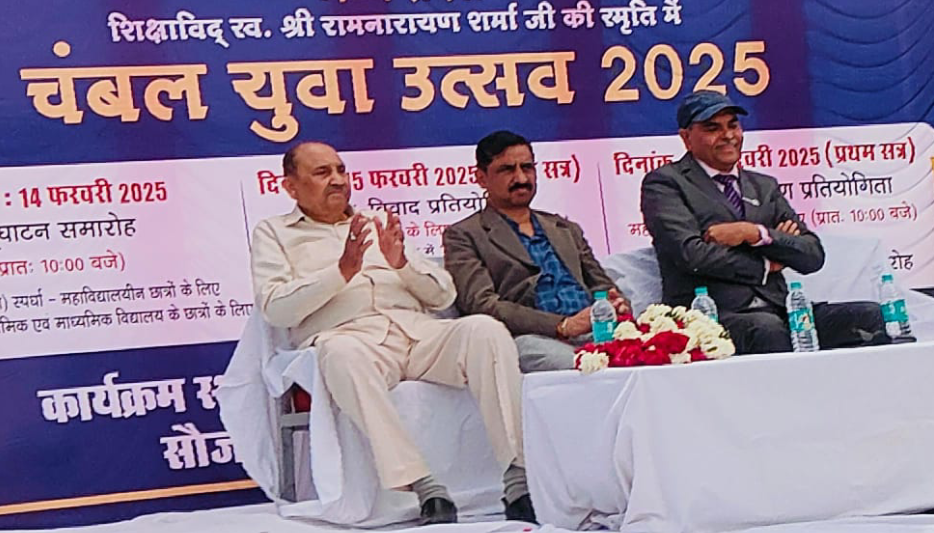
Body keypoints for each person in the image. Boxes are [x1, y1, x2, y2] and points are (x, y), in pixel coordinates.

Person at [251, 142, 535, 525]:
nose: (337, 180)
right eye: (322, 173)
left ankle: (518, 480)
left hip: (418, 334)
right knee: (339, 352)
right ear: (290, 187)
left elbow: (444, 295)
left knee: (484, 331)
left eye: (340, 170)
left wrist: (402, 264)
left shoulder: (377, 222)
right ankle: (425, 487)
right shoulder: (274, 233)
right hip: (354, 341)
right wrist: (340, 272)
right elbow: (275, 307)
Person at [640, 90, 888, 354]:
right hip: (711, 316)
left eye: (733, 125)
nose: (727, 135)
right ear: (686, 138)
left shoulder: (763, 186)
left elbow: (812, 255)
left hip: (781, 308)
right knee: (767, 330)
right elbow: (692, 254)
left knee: (868, 315)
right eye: (713, 128)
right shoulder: (665, 183)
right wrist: (767, 264)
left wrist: (755, 233)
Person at [443, 130, 630, 372]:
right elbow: (481, 304)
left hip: (595, 330)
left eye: (527, 167)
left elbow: (601, 285)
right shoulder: (464, 235)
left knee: (659, 351)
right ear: (481, 178)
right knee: (583, 367)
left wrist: (615, 304)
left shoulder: (564, 228)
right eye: (507, 170)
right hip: (532, 338)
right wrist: (562, 325)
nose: (521, 178)